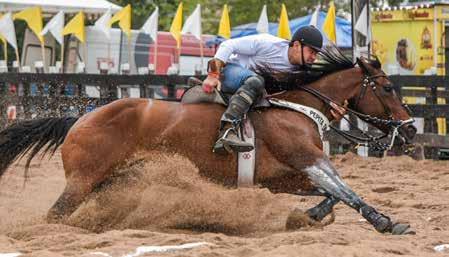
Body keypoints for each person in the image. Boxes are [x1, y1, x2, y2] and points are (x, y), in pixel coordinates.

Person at [202, 25, 345, 154]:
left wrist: (331, 113)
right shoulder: (267, 43)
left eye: (316, 54)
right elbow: (228, 44)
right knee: (256, 81)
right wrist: (213, 75)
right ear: (296, 45)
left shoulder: (301, 71)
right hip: (230, 72)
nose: (314, 58)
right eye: (312, 52)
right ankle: (227, 130)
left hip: (254, 90)